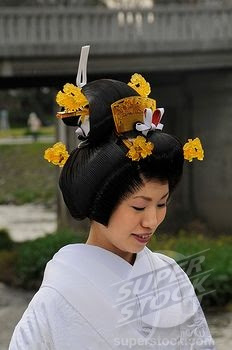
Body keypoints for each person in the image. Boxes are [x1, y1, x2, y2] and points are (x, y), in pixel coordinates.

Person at [9, 47, 215, 349]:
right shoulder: (56, 298)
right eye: (138, 206)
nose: (152, 220)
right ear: (98, 200)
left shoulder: (171, 277)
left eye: (162, 204)